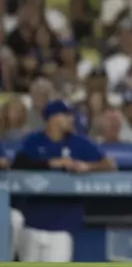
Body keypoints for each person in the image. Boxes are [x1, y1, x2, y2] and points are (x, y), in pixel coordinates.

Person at [12, 100, 116, 262]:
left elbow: (109, 165)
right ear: (53, 118)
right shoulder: (34, 140)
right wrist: (52, 163)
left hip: (63, 225)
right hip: (32, 222)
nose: (71, 119)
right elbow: (18, 164)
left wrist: (88, 166)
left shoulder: (78, 143)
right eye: (66, 115)